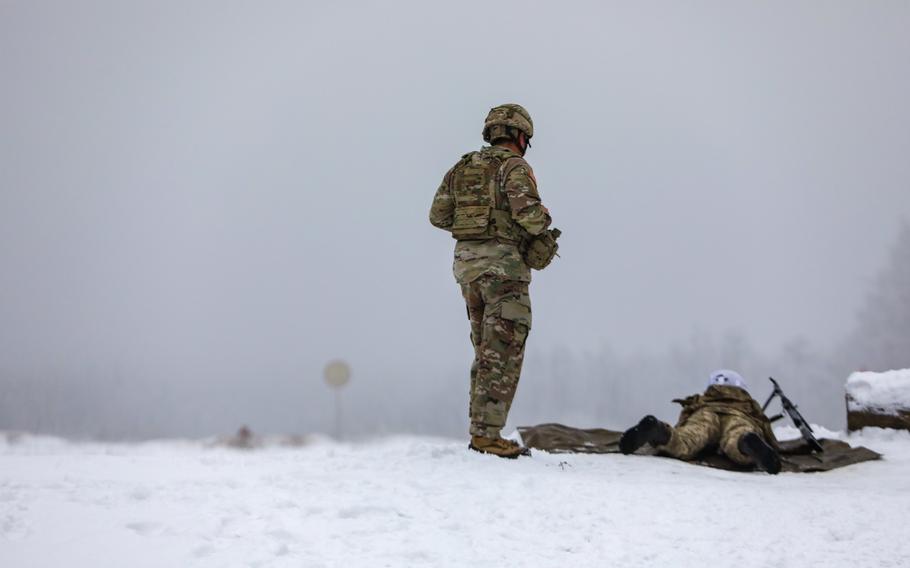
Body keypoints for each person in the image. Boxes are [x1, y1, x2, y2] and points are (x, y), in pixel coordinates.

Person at [429, 104, 554, 458]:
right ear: (520, 136)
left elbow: (438, 215)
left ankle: (481, 430)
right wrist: (542, 220)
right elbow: (530, 216)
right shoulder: (514, 167)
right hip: (505, 272)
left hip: (468, 271)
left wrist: (474, 225)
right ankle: (487, 435)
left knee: (486, 351)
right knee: (503, 353)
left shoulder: (462, 167)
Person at [619, 370, 783, 474]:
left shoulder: (705, 400)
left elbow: (685, 418)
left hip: (706, 413)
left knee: (686, 440)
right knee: (737, 437)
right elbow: (764, 425)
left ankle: (659, 431)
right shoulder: (746, 404)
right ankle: (747, 443)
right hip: (738, 416)